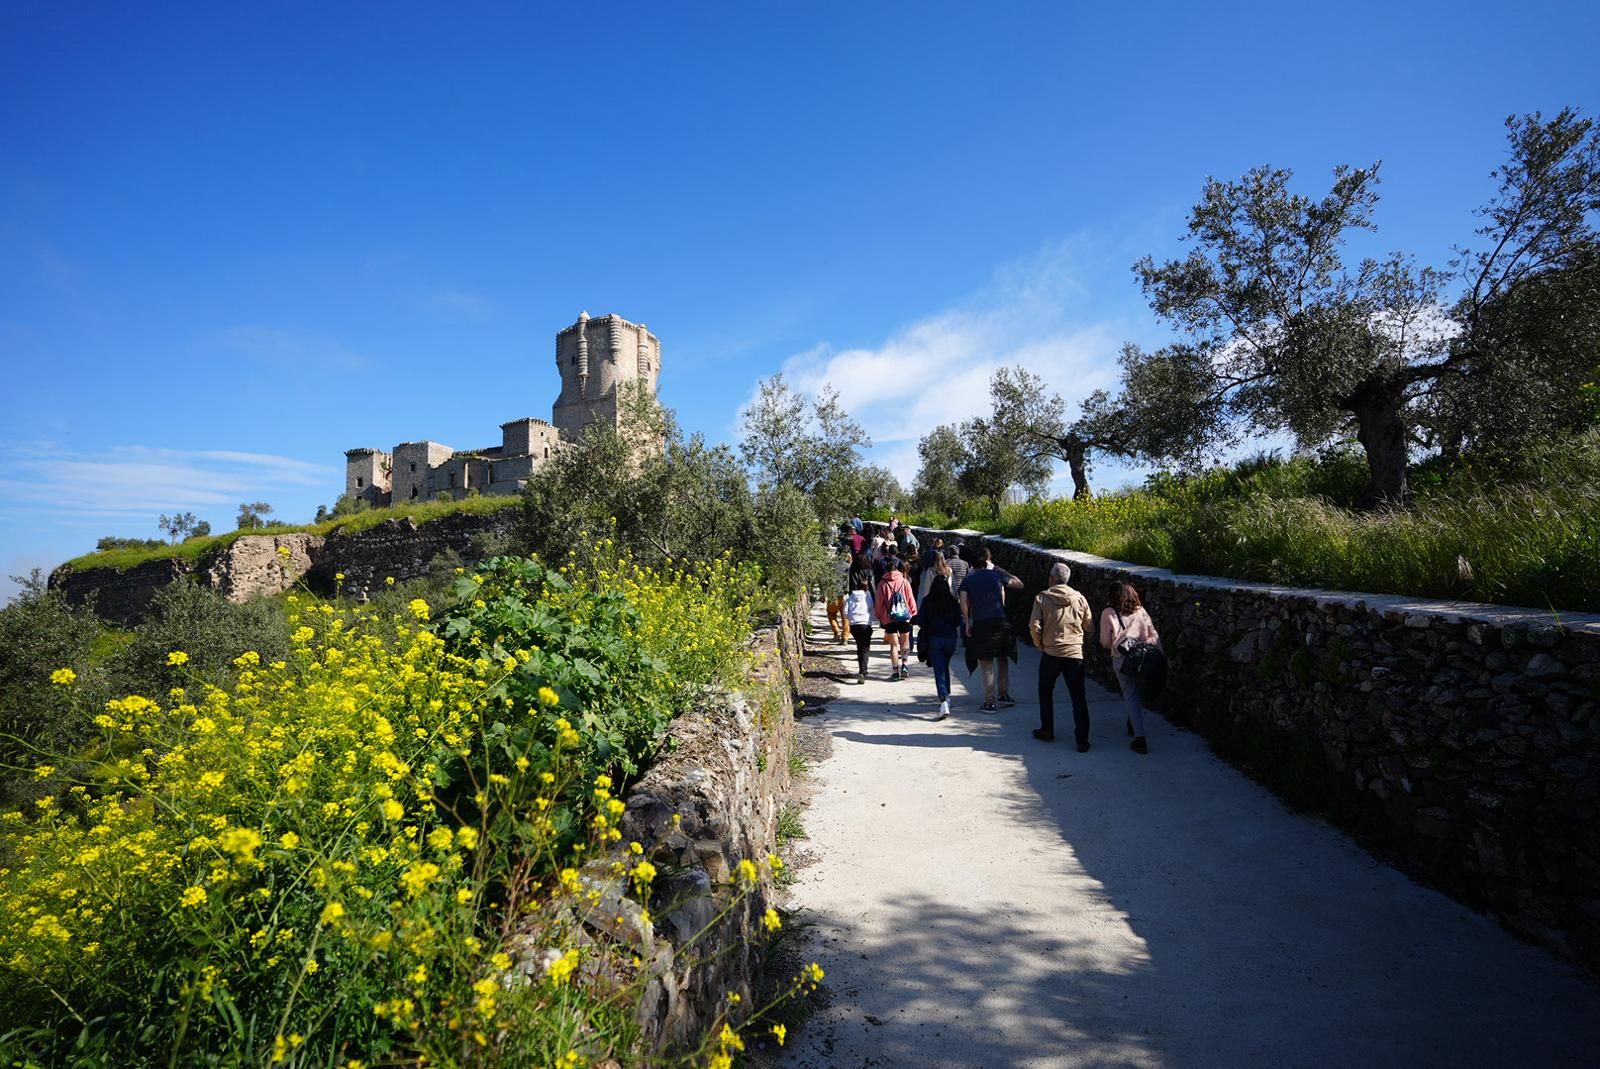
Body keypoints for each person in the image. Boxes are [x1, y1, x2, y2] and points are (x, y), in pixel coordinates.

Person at [1029, 562, 1093, 750]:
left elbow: (1034, 625)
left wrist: (1039, 643)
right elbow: (1089, 625)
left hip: (1051, 651)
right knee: (1078, 696)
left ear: (1052, 579)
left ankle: (1047, 729)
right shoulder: (1079, 598)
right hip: (1074, 652)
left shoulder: (1042, 598)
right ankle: (1082, 739)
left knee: (1045, 690)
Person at [1099, 580, 1161, 755]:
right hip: (1144, 658)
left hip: (1123, 659)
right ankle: (1133, 723)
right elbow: (1152, 633)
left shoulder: (1108, 613)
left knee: (1130, 694)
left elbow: (1105, 642)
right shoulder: (1141, 611)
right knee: (1137, 692)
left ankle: (1139, 738)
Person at [960, 547, 1022, 711]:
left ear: (972, 565)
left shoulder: (968, 580)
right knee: (1003, 659)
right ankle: (1004, 694)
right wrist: (998, 568)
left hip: (981, 622)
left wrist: (967, 623)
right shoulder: (996, 575)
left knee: (986, 663)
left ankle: (990, 702)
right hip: (1000, 620)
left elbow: (964, 603)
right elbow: (1019, 583)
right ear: (986, 562)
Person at [917, 554, 962, 720]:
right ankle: (947, 696)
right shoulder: (952, 602)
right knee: (945, 666)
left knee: (939, 670)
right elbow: (958, 621)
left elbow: (920, 620)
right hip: (950, 638)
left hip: (935, 638)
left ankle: (943, 700)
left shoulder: (928, 601)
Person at [874, 558, 918, 681]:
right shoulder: (904, 581)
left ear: (886, 570)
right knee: (904, 642)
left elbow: (879, 602)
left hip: (889, 618)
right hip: (904, 616)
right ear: (897, 569)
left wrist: (878, 615)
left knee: (893, 645)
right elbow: (910, 598)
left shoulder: (882, 583)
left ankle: (895, 671)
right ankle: (904, 664)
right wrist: (913, 612)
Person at [844, 574, 876, 684]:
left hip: (854, 625)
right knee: (865, 648)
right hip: (865, 624)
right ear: (866, 587)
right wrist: (870, 620)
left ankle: (862, 670)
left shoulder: (851, 596)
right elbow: (871, 608)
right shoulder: (868, 596)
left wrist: (851, 618)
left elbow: (845, 612)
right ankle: (863, 671)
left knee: (859, 647)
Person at [825, 548, 850, 644]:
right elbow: (848, 581)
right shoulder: (847, 566)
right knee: (845, 617)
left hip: (832, 594)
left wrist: (824, 593)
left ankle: (836, 631)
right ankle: (845, 637)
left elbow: (826, 580)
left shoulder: (830, 566)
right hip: (844, 595)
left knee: (831, 614)